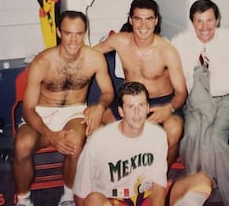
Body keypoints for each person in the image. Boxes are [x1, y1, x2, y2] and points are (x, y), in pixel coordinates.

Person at [12, 10, 115, 206]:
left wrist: (100, 106)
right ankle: (23, 199)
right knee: (22, 146)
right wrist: (50, 135)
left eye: (79, 33)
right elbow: (28, 108)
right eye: (68, 33)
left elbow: (108, 92)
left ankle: (68, 196)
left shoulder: (94, 58)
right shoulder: (42, 62)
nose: (74, 40)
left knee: (75, 143)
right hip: (41, 114)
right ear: (59, 32)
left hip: (74, 112)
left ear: (85, 32)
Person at [171, 0, 229, 205]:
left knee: (215, 139)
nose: (204, 27)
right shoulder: (180, 43)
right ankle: (195, 185)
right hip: (195, 102)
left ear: (217, 20)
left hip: (227, 99)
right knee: (192, 134)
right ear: (192, 22)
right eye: (199, 21)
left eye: (209, 20)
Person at [73, 81, 212, 206]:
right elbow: (81, 193)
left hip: (146, 197)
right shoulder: (100, 140)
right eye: (130, 107)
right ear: (121, 111)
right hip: (114, 200)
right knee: (93, 200)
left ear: (148, 108)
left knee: (202, 181)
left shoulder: (158, 135)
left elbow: (158, 186)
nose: (137, 113)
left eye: (141, 105)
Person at [93, 0, 187, 167]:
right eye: (138, 19)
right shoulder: (120, 41)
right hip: (130, 98)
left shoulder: (167, 51)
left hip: (161, 101)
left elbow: (181, 91)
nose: (143, 26)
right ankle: (117, 172)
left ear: (156, 21)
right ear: (130, 19)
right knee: (96, 124)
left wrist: (169, 108)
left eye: (149, 19)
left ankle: (159, 175)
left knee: (174, 130)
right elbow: (89, 54)